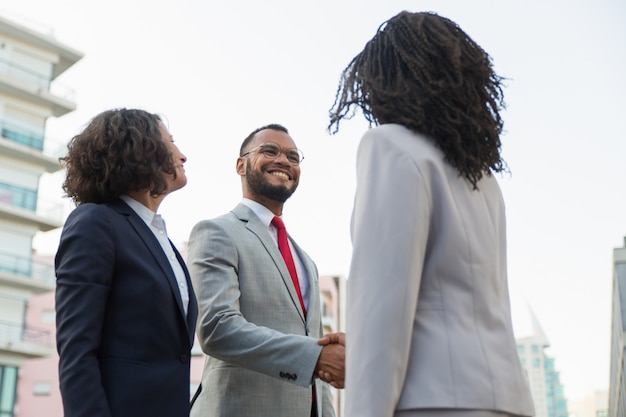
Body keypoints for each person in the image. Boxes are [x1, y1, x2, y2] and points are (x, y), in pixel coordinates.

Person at [326, 11, 535, 417]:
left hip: (431, 399)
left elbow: (382, 304)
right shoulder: (481, 176)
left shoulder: (389, 146)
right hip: (505, 399)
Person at [188, 123, 343, 417]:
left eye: (293, 157)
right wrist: (317, 357)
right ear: (240, 164)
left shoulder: (305, 260)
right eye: (269, 151)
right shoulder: (216, 232)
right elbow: (217, 328)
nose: (284, 161)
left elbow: (317, 357)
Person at [55, 108, 198, 417]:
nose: (182, 155)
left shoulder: (165, 242)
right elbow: (77, 351)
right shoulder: (96, 222)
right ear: (140, 147)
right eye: (171, 141)